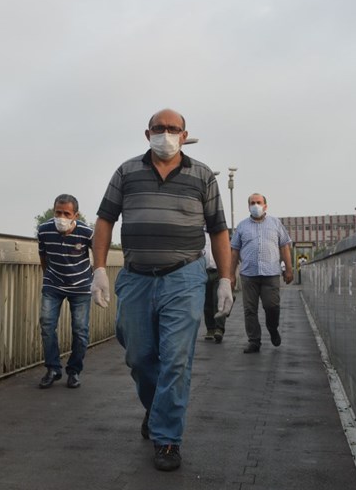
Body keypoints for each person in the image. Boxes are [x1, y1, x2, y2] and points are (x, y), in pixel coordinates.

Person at [90, 109, 233, 472]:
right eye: (159, 128)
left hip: (184, 276)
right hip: (136, 277)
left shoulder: (201, 175)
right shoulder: (127, 172)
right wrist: (100, 270)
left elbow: (218, 230)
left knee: (176, 360)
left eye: (173, 129)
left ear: (184, 135)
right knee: (138, 356)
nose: (165, 134)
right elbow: (105, 219)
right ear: (146, 133)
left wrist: (227, 279)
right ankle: (156, 410)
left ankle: (167, 438)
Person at [36, 194, 94, 389]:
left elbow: (99, 253)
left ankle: (74, 371)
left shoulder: (87, 233)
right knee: (46, 324)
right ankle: (53, 368)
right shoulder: (44, 230)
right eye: (58, 212)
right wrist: (48, 276)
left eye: (66, 213)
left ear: (75, 215)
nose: (61, 217)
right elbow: (43, 255)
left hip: (81, 286)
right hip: (53, 283)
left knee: (80, 330)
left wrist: (98, 278)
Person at [231, 193, 293, 354]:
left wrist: (289, 269)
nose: (255, 205)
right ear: (248, 206)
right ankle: (254, 341)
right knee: (250, 310)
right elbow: (234, 251)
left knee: (271, 307)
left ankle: (273, 329)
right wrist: (231, 275)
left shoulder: (275, 223)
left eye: (259, 202)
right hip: (248, 275)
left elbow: (285, 246)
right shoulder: (242, 226)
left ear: (265, 205)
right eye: (252, 203)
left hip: (271, 274)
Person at [201, 232, 230, 343]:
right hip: (204, 271)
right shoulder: (200, 233)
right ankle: (210, 329)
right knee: (207, 302)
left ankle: (219, 329)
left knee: (218, 300)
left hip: (219, 272)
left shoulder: (219, 233)